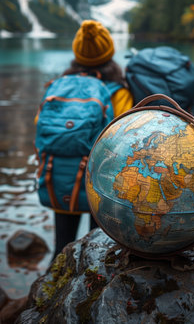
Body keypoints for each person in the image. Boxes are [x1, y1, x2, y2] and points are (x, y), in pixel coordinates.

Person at [35, 20, 133, 259]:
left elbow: (39, 125)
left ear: (76, 53)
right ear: (109, 53)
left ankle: (47, 293)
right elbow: (125, 140)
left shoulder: (58, 87)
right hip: (98, 189)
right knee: (99, 249)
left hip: (58, 183)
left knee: (61, 249)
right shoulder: (119, 92)